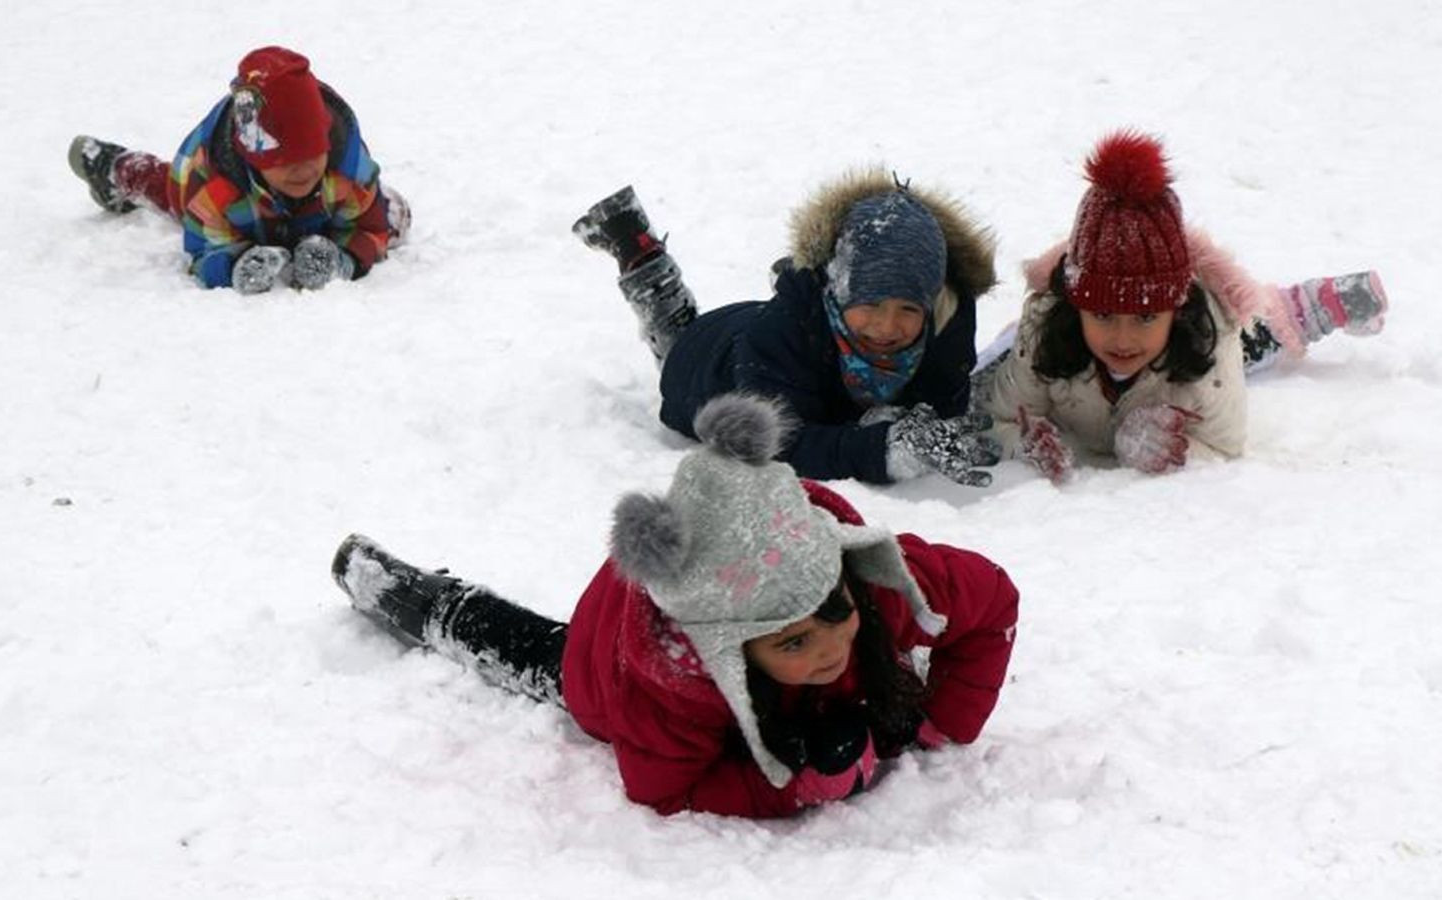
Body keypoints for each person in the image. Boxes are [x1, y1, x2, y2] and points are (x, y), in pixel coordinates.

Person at [330, 394, 1020, 819]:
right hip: (609, 657)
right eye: (790, 644)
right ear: (729, 650)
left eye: (831, 615)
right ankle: (405, 594)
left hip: (720, 566)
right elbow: (665, 790)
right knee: (534, 652)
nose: (828, 649)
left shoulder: (871, 580)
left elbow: (993, 604)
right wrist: (793, 787)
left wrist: (939, 723)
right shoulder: (671, 685)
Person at [972, 131, 1388, 481]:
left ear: (1176, 307)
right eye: (1101, 315)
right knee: (1001, 359)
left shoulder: (1208, 340)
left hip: (1196, 345)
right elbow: (998, 420)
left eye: (1146, 317)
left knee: (1253, 335)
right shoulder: (1044, 333)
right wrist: (1025, 445)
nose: (1123, 338)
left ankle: (1302, 307)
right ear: (1076, 305)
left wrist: (1173, 448)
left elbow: (1226, 446)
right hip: (1054, 341)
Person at [572, 172, 1002, 486]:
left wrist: (912, 424)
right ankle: (640, 254)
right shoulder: (777, 337)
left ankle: (797, 288)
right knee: (676, 336)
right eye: (869, 303)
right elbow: (776, 445)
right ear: (839, 290)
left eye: (908, 307)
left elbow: (944, 400)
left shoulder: (947, 315)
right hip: (709, 362)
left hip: (788, 336)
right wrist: (881, 449)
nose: (887, 326)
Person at [67, 46, 409, 293]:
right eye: (285, 161)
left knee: (390, 213)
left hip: (319, 210)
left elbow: (371, 228)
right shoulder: (213, 186)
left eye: (312, 154)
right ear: (254, 157)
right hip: (226, 201)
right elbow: (202, 252)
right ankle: (115, 168)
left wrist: (344, 259)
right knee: (169, 191)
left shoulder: (347, 170)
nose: (303, 169)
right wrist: (234, 266)